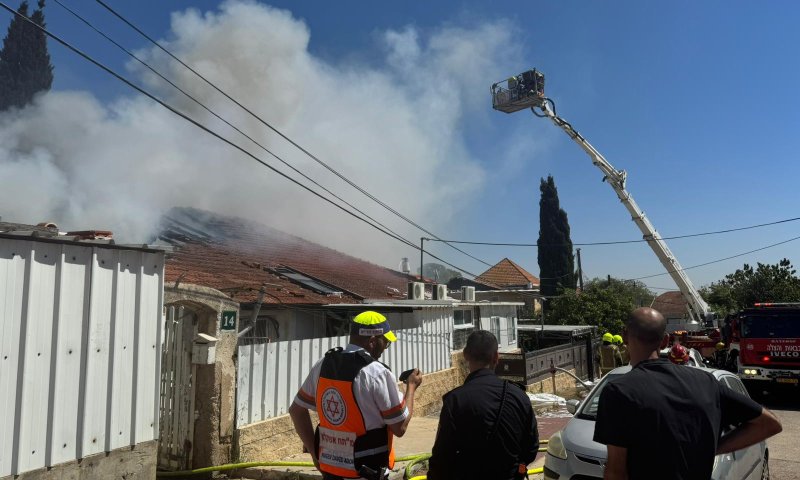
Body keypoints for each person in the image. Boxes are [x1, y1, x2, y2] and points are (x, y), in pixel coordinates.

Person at [593, 307, 782, 480]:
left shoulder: (618, 391)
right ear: (666, 340)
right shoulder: (706, 382)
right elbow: (769, 424)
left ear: (625, 337)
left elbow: (616, 472)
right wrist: (714, 448)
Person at [289, 311, 423, 479]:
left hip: (331, 471)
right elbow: (400, 427)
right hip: (366, 472)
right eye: (385, 342)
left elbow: (296, 410)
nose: (385, 348)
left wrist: (316, 456)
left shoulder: (323, 365)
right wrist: (411, 387)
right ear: (373, 341)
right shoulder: (377, 373)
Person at [428, 330, 539, 480]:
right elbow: (531, 449)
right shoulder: (519, 397)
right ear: (496, 357)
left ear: (466, 355)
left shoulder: (455, 401)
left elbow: (441, 457)